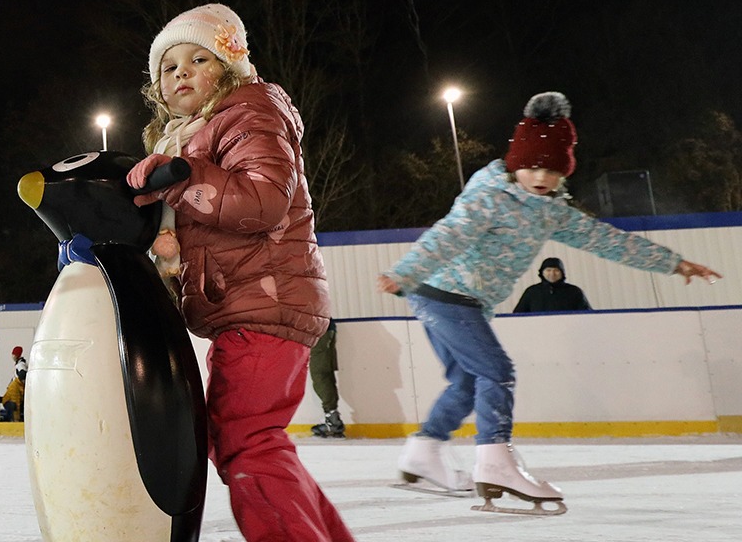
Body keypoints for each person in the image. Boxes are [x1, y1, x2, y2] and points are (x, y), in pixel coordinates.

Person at [126, 3, 370, 542]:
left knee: (243, 437)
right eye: (168, 66)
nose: (181, 73)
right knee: (251, 434)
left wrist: (180, 180)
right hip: (252, 301)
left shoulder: (250, 112)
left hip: (266, 302)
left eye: (198, 59)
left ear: (230, 67)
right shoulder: (191, 137)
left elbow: (263, 201)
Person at [379, 92, 721, 510]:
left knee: (469, 381)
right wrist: (406, 272)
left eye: (552, 169)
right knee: (497, 371)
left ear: (564, 172)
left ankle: (424, 450)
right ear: (515, 164)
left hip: (457, 300)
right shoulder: (488, 198)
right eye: (532, 166)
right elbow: (449, 234)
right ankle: (495, 460)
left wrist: (672, 263)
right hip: (444, 294)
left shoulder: (552, 212)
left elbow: (605, 240)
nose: (541, 176)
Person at [308, 319, 345, 438]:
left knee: (320, 375)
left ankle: (332, 420)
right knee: (325, 374)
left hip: (316, 329)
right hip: (325, 327)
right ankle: (333, 417)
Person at [513, 257, 591, 312]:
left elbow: (587, 315)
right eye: (548, 270)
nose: (552, 273)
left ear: (562, 273)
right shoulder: (532, 292)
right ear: (542, 272)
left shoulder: (574, 291)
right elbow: (518, 316)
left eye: (556, 270)